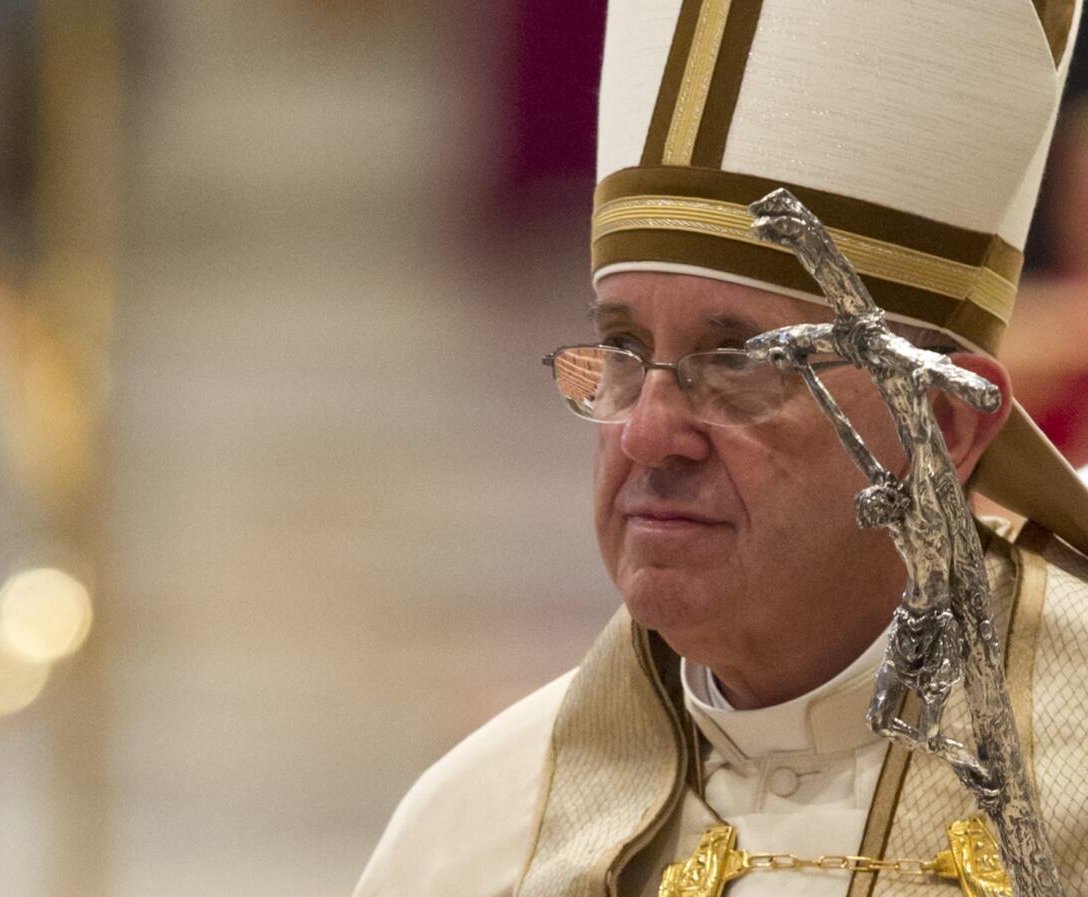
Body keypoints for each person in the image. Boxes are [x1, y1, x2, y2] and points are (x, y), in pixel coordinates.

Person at [353, 1, 1088, 895]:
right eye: (622, 352)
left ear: (948, 423)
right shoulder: (476, 838)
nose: (646, 430)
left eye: (741, 363)